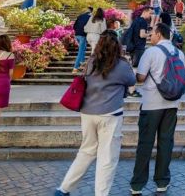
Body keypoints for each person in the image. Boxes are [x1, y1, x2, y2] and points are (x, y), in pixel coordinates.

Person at [55, 32, 136, 196]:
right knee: (107, 157)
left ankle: (64, 189)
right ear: (117, 45)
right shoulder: (121, 64)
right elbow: (132, 81)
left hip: (88, 112)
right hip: (110, 114)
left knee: (86, 152)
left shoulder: (92, 61)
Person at [130, 23, 185, 194]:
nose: (150, 36)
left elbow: (140, 78)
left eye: (152, 33)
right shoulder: (180, 53)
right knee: (166, 142)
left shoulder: (151, 52)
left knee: (145, 143)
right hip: (172, 104)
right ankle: (162, 181)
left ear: (160, 34)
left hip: (151, 104)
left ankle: (137, 185)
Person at [72, 7, 93, 73]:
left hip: (77, 35)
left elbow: (74, 26)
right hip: (83, 35)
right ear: (91, 12)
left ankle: (82, 62)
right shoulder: (90, 17)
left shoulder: (80, 16)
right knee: (80, 51)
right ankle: (75, 68)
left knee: (83, 48)